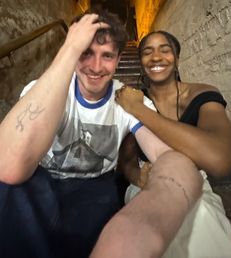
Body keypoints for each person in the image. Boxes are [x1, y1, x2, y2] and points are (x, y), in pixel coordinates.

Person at [0, 10, 200, 258]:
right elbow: (8, 166)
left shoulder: (128, 100)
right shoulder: (45, 88)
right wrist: (70, 49)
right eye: (86, 53)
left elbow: (165, 154)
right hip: (40, 179)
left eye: (107, 56)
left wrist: (158, 204)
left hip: (96, 186)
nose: (95, 67)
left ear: (118, 60)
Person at [113, 30, 231, 257]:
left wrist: (139, 110)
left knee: (200, 223)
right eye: (147, 52)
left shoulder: (202, 94)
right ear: (141, 63)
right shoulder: (131, 98)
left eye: (165, 50)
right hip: (147, 185)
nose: (156, 57)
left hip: (195, 184)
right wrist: (135, 176)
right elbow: (126, 160)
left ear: (177, 59)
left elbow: (220, 160)